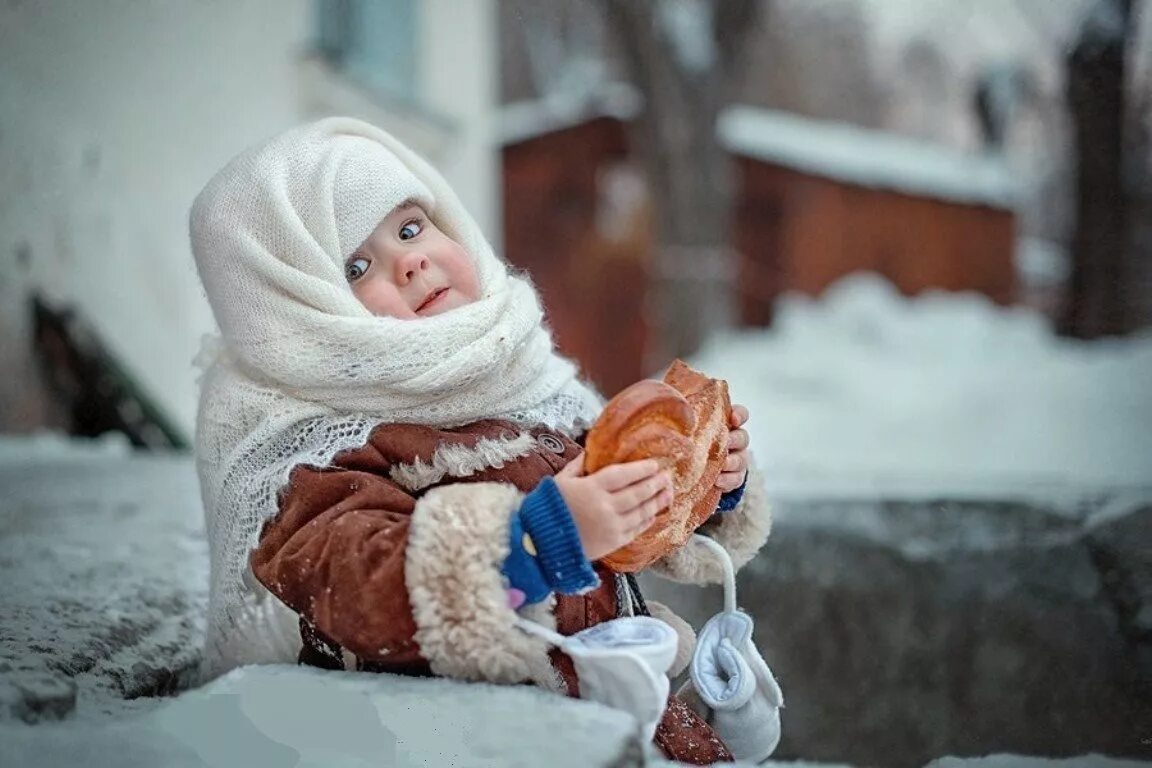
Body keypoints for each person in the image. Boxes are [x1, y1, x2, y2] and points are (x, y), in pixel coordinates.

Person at [189, 117, 773, 764]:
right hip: (470, 743)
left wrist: (704, 487)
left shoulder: (522, 379)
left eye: (410, 228)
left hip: (620, 715)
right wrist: (534, 541)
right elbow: (352, 580)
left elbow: (623, 505)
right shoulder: (310, 451)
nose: (410, 260)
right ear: (299, 313)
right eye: (357, 267)